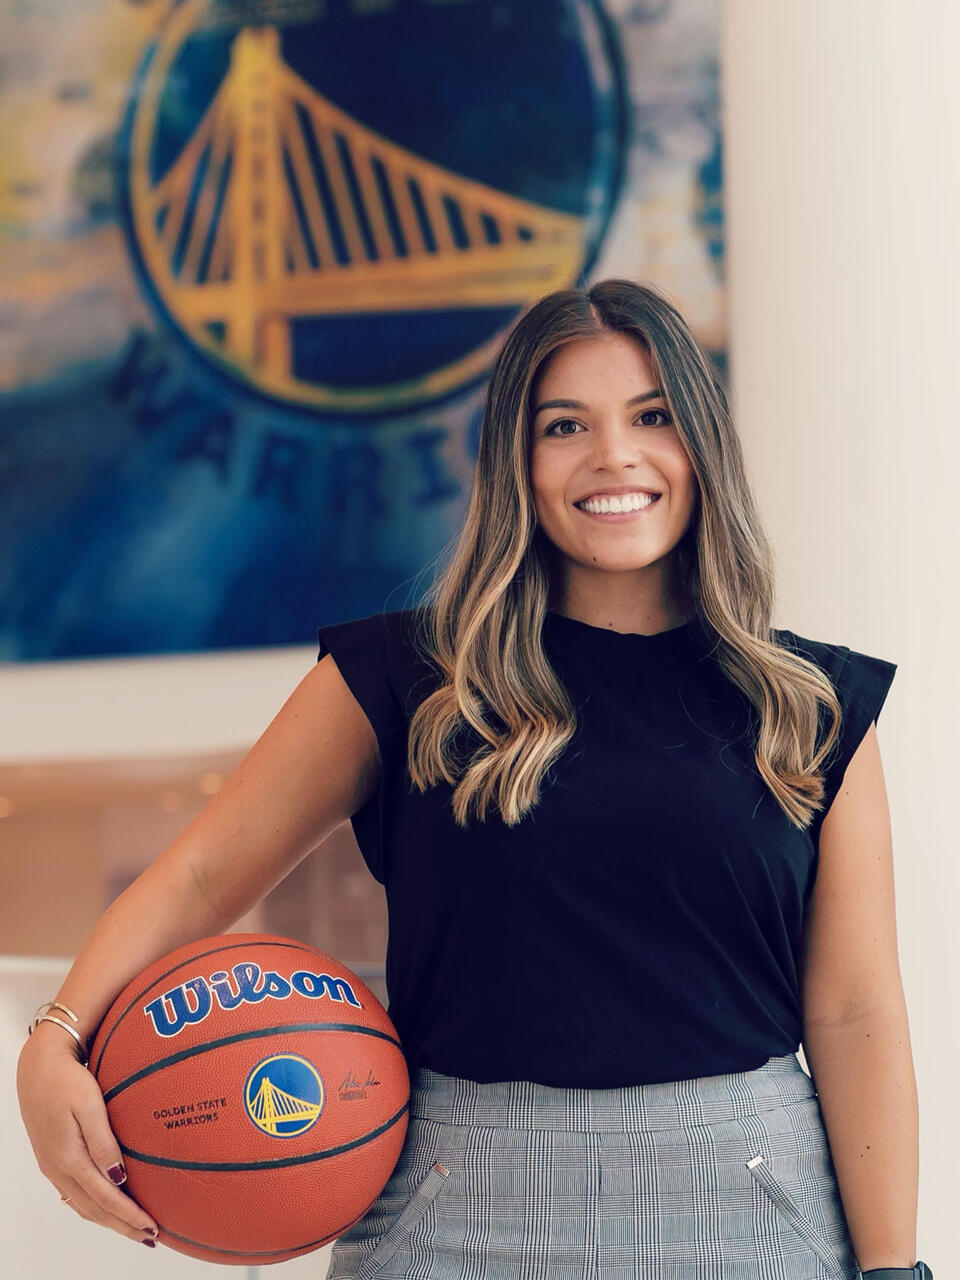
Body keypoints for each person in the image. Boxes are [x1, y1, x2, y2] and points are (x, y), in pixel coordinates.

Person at [16, 278, 925, 1280]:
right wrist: (53, 1040)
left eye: (653, 415)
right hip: (459, 1206)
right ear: (517, 462)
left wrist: (893, 1267)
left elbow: (855, 1011)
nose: (614, 455)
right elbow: (198, 879)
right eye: (564, 424)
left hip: (749, 1201)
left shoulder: (815, 702)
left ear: (703, 444)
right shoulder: (405, 680)